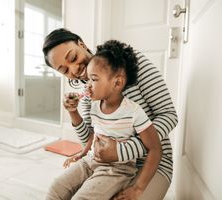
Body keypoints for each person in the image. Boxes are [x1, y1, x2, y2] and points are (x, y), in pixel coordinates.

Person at [43, 28, 178, 200]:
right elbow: (94, 142)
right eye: (64, 70)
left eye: (73, 57)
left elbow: (169, 114)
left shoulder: (127, 64)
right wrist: (72, 113)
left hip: (152, 163)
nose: (75, 69)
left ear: (81, 44)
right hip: (104, 165)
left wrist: (122, 151)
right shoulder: (88, 96)